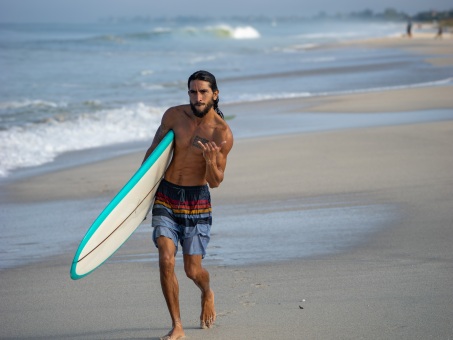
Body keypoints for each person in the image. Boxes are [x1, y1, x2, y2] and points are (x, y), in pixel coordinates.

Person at [142, 70, 234, 340]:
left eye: (203, 92)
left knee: (192, 270)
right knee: (166, 259)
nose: (197, 97)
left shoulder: (222, 134)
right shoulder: (173, 116)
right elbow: (153, 152)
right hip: (167, 195)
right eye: (193, 91)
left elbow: (215, 182)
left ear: (214, 94)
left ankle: (207, 291)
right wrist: (138, 193)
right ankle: (177, 325)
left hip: (197, 201)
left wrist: (208, 160)